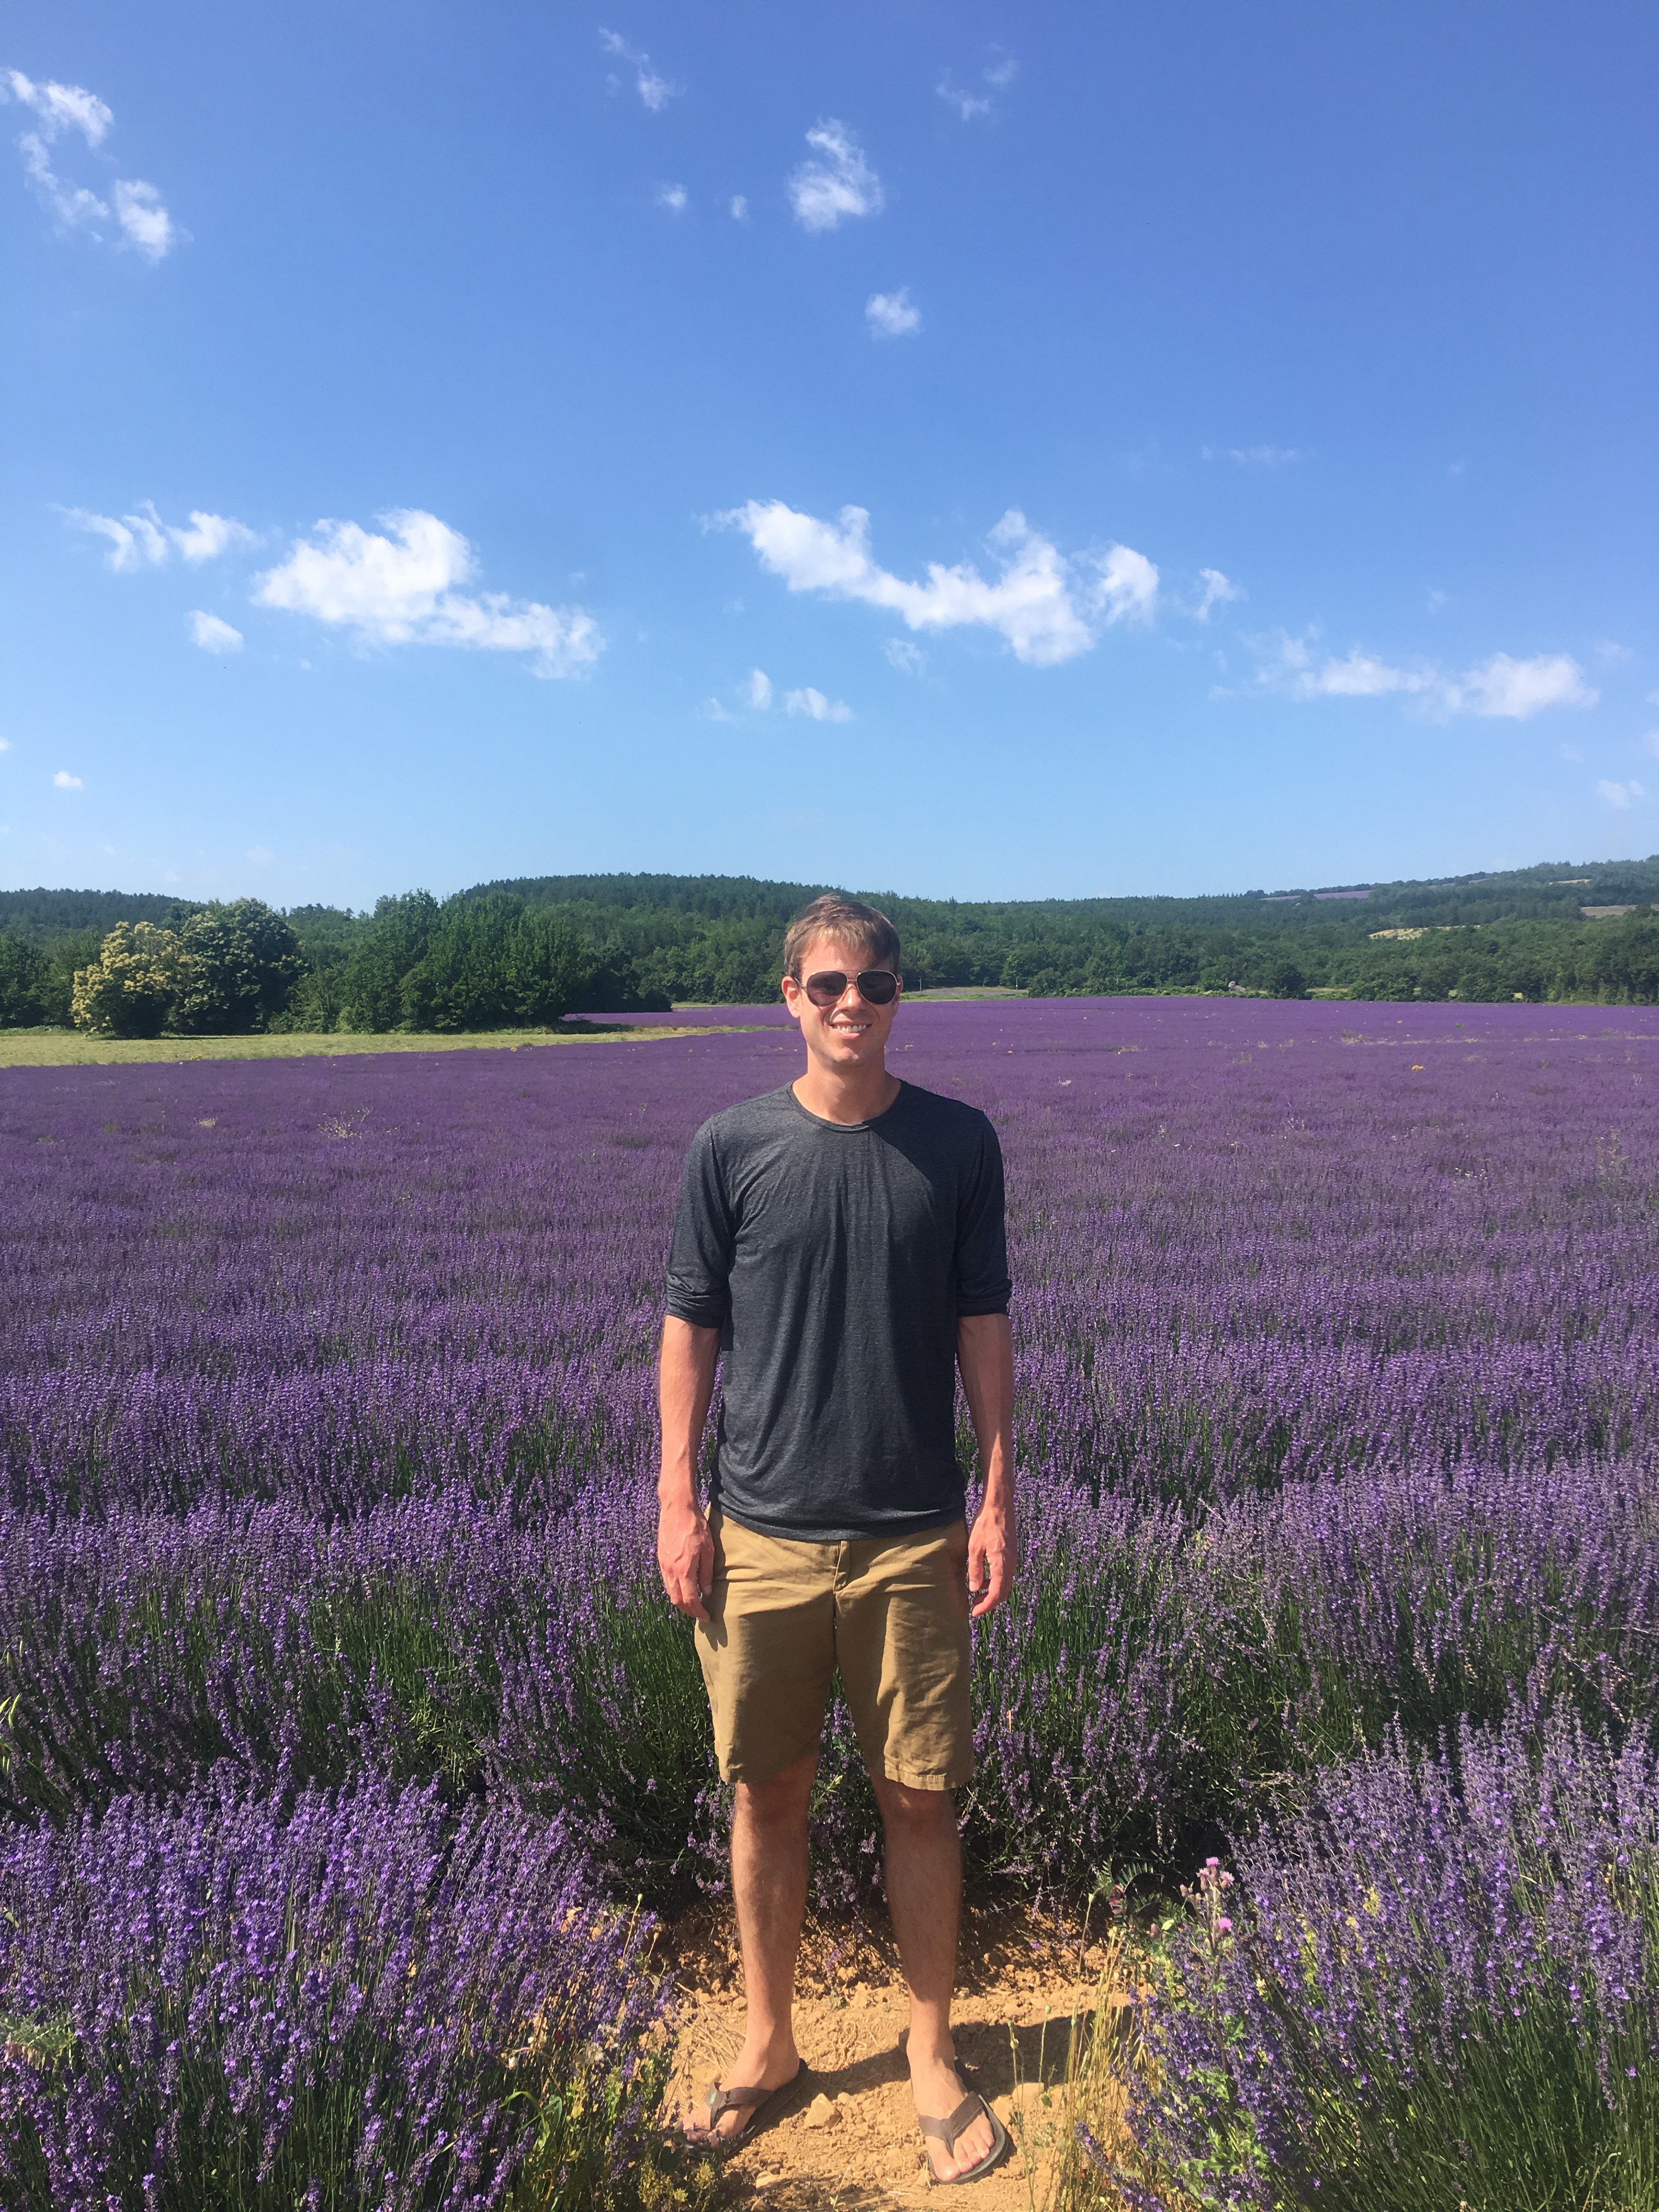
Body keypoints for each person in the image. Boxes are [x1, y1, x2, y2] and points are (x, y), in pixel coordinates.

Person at [657, 893, 1016, 2186]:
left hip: (915, 1532)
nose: (852, 1003)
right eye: (826, 984)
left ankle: (930, 2052)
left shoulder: (958, 1143)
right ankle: (769, 2046)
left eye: (874, 982)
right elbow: (690, 1327)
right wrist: (676, 1501)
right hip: (762, 1530)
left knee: (921, 1795)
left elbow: (985, 1321)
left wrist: (998, 1491)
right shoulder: (732, 1145)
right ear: (789, 998)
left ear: (898, 996)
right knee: (768, 1792)